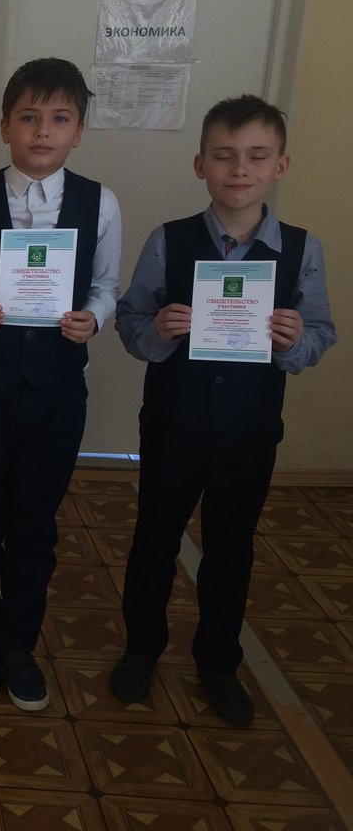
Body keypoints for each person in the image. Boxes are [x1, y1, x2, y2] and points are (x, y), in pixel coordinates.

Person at [110, 95, 336, 726]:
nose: (240, 170)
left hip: (249, 431)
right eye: (224, 156)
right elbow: (130, 322)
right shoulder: (170, 240)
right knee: (154, 539)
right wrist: (158, 329)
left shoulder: (301, 250)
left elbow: (321, 332)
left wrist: (294, 342)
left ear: (280, 166)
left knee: (231, 548)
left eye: (257, 157)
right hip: (173, 424)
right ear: (200, 164)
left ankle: (218, 661)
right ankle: (141, 647)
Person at [0, 57, 122, 711]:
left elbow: (105, 285)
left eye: (59, 119)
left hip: (56, 394)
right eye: (29, 117)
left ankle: (19, 643)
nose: (43, 131)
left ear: (78, 131)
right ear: (5, 125)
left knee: (35, 523)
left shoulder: (100, 203)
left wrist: (94, 318)